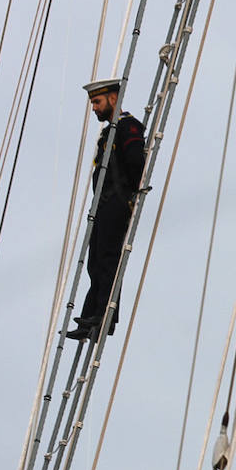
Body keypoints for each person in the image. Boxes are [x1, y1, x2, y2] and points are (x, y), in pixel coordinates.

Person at [66, 78, 145, 341]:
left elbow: (135, 161)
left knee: (108, 258)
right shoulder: (108, 132)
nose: (94, 109)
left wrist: (130, 194)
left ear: (113, 98)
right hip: (103, 204)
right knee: (95, 262)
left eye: (97, 102)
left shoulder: (127, 126)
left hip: (117, 201)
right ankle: (91, 314)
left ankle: (104, 316)